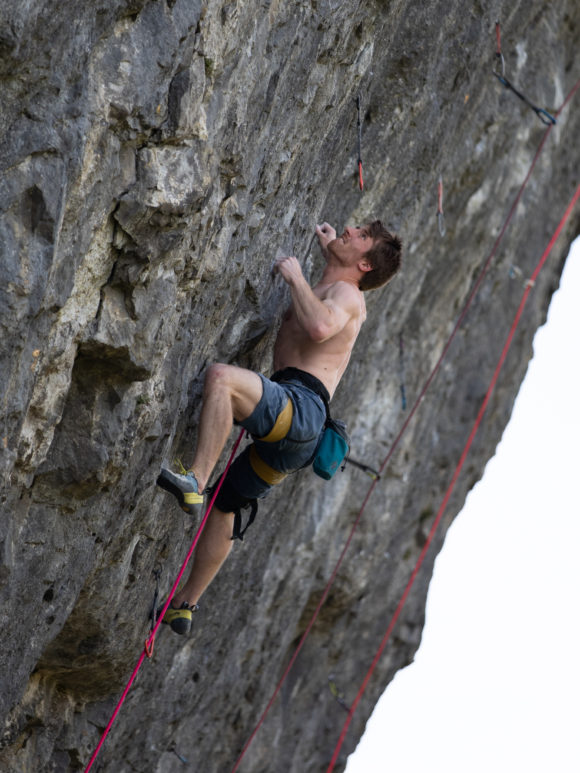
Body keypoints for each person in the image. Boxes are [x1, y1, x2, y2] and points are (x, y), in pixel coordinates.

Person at [156, 220, 402, 634]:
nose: (347, 228)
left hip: (301, 406)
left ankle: (194, 480)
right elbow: (323, 303)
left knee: (221, 379)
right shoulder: (338, 285)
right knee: (227, 505)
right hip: (300, 434)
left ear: (364, 263)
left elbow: (320, 326)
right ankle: (184, 605)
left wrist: (294, 276)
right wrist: (330, 251)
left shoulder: (347, 295)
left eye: (358, 234)